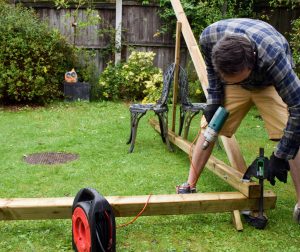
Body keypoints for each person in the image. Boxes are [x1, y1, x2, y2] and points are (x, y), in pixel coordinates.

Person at [176, 18, 300, 223]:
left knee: (295, 137)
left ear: (251, 63)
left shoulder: (273, 56)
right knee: (210, 127)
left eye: (239, 77)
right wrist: (214, 101)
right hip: (233, 84)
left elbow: (298, 108)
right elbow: (212, 74)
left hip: (269, 83)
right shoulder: (209, 37)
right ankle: (189, 184)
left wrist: (281, 155)